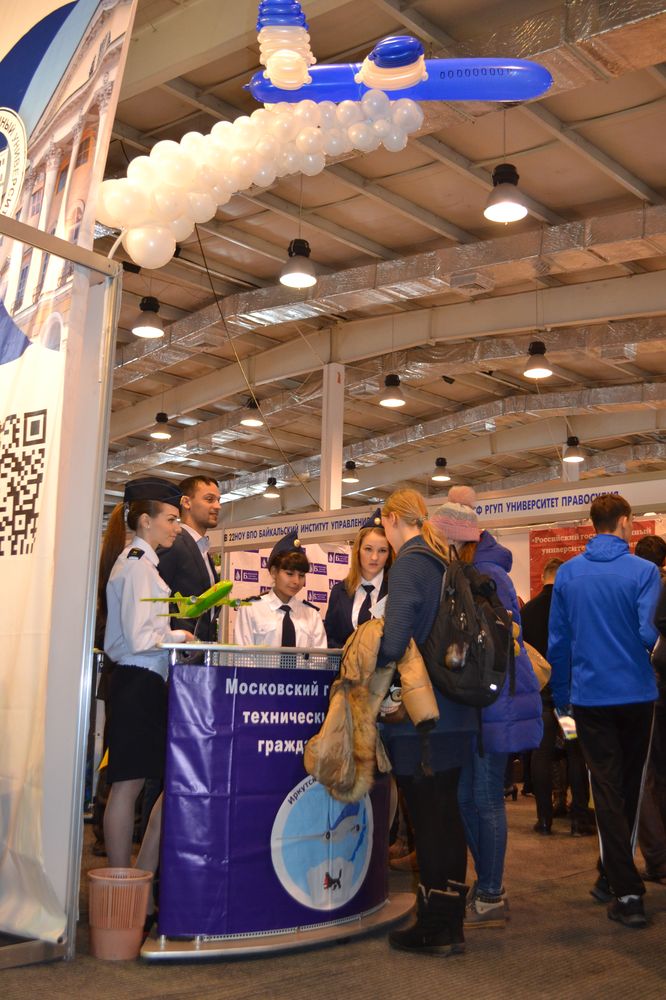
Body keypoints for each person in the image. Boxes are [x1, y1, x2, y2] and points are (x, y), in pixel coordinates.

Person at [548, 494, 661, 929]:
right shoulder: (644, 572)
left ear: (592, 524)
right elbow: (648, 633)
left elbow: (559, 642)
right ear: (625, 522)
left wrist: (562, 697)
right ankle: (627, 891)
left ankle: (609, 875)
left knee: (608, 790)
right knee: (627, 790)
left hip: (589, 699)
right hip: (637, 696)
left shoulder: (569, 574)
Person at [431, 486, 542, 930]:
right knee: (466, 796)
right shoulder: (466, 572)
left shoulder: (487, 575)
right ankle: (488, 882)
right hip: (478, 700)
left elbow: (502, 641)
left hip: (494, 700)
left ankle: (492, 891)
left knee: (485, 796)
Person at [376, 489, 477, 956]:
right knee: (446, 817)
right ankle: (448, 921)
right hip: (456, 711)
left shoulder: (410, 563)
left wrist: (371, 659)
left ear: (391, 519)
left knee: (431, 821)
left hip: (421, 719)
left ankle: (436, 926)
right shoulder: (442, 560)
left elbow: (395, 640)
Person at [100, 476, 195, 882]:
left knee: (146, 784)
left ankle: (139, 876)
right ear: (145, 521)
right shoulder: (138, 566)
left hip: (144, 683)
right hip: (137, 682)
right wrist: (179, 636)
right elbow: (140, 639)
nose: (177, 527)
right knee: (128, 786)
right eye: (171, 519)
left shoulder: (143, 565)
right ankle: (122, 884)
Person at [522, 558, 593, 837]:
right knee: (575, 751)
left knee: (541, 754)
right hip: (566, 697)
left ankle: (544, 820)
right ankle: (579, 821)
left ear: (543, 577)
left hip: (540, 696)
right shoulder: (570, 608)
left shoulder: (527, 611)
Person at [234, 529, 327, 648]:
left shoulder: (312, 615)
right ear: (274, 572)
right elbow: (242, 655)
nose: (296, 581)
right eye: (289, 574)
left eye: (301, 575)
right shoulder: (251, 610)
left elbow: (319, 656)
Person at [635, 535, 666, 881]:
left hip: (646, 689)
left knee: (645, 775)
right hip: (655, 688)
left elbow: (645, 635)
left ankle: (658, 857)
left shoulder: (641, 588)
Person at [157, 475, 221, 641]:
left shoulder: (202, 550)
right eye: (209, 499)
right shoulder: (174, 544)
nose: (218, 506)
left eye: (218, 500)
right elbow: (156, 598)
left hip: (197, 647)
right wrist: (177, 634)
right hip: (178, 648)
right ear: (186, 502)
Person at [324, 507, 391, 649]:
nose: (374, 557)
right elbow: (330, 638)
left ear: (389, 554)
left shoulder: (395, 592)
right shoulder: (339, 591)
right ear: (357, 551)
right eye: (368, 549)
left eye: (382, 550)